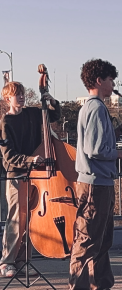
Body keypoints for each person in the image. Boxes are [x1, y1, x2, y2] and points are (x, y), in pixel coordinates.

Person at [67, 59, 122, 290]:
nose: (113, 84)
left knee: (102, 240)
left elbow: (95, 143)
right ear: (99, 80)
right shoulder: (95, 107)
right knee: (87, 240)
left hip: (99, 182)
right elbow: (94, 149)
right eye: (110, 79)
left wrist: (116, 134)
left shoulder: (93, 107)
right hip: (95, 183)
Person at [0, 81, 61, 277]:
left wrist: (51, 101)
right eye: (17, 94)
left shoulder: (33, 114)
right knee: (17, 218)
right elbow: (8, 156)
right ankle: (6, 262)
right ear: (7, 98)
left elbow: (54, 116)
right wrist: (30, 159)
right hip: (17, 174)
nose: (21, 96)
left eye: (23, 93)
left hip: (36, 175)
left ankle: (23, 261)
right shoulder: (5, 122)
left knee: (31, 219)